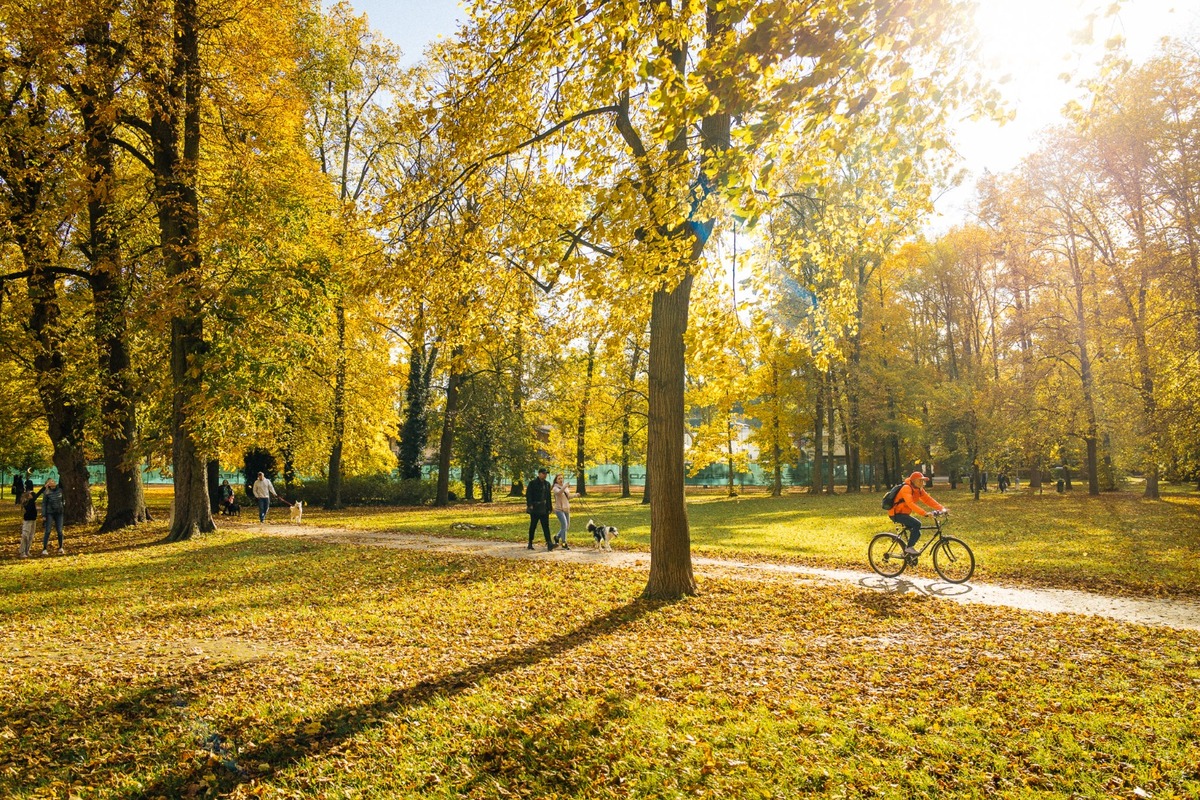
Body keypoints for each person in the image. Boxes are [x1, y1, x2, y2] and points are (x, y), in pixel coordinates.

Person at [888, 471, 947, 555]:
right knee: (917, 524)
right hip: (896, 513)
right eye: (920, 480)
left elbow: (928, 500)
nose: (922, 482)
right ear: (913, 481)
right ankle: (909, 548)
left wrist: (942, 508)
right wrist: (924, 513)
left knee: (917, 532)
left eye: (923, 481)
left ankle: (906, 553)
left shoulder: (919, 489)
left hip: (904, 513)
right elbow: (910, 503)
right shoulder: (906, 488)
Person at [525, 468, 555, 551]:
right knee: (533, 526)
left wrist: (550, 507)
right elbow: (528, 495)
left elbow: (548, 497)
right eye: (543, 473)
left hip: (544, 508)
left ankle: (549, 543)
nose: (545, 475)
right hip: (535, 508)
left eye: (546, 474)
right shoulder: (532, 483)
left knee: (546, 526)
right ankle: (530, 542)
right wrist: (530, 504)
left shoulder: (547, 484)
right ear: (539, 474)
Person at [18, 485, 44, 558]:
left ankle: (27, 550)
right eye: (31, 494)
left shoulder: (32, 501)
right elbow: (37, 495)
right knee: (25, 535)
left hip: (33, 520)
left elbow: (36, 496)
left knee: (31, 536)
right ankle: (22, 551)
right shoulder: (27, 502)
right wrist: (44, 487)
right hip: (27, 520)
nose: (32, 495)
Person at [41, 478, 65, 555]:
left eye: (52, 481)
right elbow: (44, 503)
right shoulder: (46, 492)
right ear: (47, 484)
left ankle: (61, 547)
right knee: (48, 530)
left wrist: (62, 505)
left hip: (59, 512)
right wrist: (44, 515)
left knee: (59, 530)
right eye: (49, 482)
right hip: (50, 513)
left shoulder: (60, 490)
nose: (52, 482)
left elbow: (63, 499)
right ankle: (44, 548)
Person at [551, 473, 571, 550]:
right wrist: (565, 486)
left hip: (566, 509)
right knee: (564, 525)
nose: (561, 480)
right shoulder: (555, 488)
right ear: (556, 480)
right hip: (559, 510)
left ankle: (557, 537)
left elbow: (568, 497)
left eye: (562, 478)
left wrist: (576, 495)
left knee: (567, 526)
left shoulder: (565, 488)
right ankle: (564, 543)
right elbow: (559, 493)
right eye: (559, 478)